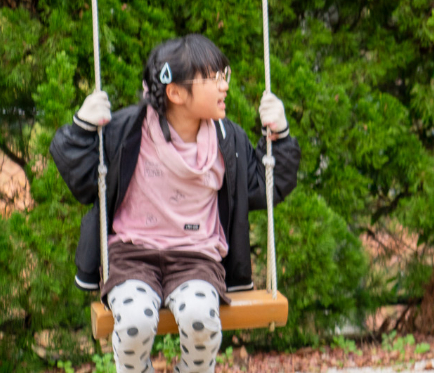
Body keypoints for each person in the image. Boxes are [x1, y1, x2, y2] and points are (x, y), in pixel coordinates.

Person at [51, 34, 299, 373]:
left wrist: (280, 135)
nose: (224, 85)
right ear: (176, 92)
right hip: (132, 253)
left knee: (202, 320)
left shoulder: (229, 142)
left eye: (223, 74)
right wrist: (82, 125)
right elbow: (82, 179)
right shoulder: (127, 131)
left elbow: (266, 188)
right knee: (134, 321)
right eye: (214, 78)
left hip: (196, 258)